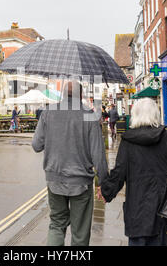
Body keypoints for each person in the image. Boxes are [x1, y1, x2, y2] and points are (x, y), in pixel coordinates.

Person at [99, 98, 167, 246]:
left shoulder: (128, 140)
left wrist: (106, 191)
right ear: (156, 114)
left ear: (135, 115)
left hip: (137, 213)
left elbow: (118, 174)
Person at [32, 81, 109, 246]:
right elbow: (98, 155)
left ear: (62, 94)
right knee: (80, 231)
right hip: (81, 183)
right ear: (80, 96)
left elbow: (36, 145)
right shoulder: (89, 115)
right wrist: (103, 182)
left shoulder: (47, 113)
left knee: (57, 224)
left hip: (54, 180)